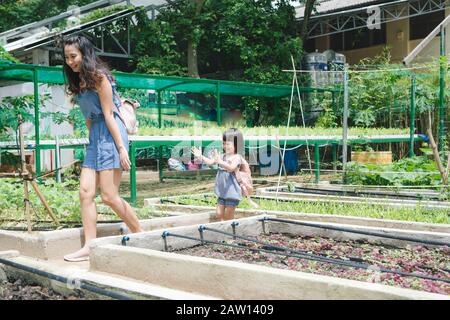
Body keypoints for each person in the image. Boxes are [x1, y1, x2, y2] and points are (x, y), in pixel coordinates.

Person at [62, 35, 142, 262]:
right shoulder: (78, 83)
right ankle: (89, 246)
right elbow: (89, 118)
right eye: (67, 58)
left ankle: (141, 234)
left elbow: (109, 115)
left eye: (74, 56)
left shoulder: (99, 78)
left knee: (108, 196)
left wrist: (121, 148)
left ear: (85, 54)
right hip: (96, 136)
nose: (70, 61)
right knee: (85, 192)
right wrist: (92, 143)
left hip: (111, 133)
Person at [192, 128, 245, 221]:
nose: (225, 146)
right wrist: (201, 156)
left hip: (232, 192)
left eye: (228, 143)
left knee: (229, 215)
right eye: (223, 143)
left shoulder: (237, 157)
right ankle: (222, 228)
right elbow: (210, 162)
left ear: (237, 144)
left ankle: (230, 233)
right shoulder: (222, 156)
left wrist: (220, 161)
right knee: (219, 213)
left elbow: (231, 168)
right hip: (222, 192)